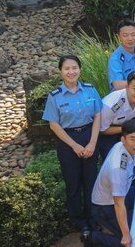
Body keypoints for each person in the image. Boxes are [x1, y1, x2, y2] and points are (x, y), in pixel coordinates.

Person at [44, 55, 103, 233]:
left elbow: (98, 115)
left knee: (91, 180)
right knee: (73, 182)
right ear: (61, 71)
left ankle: (93, 216)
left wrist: (92, 143)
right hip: (67, 141)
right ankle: (78, 219)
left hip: (89, 135)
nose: (71, 72)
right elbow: (53, 124)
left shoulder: (90, 90)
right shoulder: (55, 96)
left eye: (74, 67)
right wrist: (74, 146)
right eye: (67, 68)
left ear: (80, 69)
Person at [82, 118, 135, 247]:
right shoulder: (118, 169)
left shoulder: (124, 147)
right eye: (132, 139)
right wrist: (126, 235)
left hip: (123, 192)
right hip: (106, 206)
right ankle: (93, 238)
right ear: (123, 139)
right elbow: (118, 204)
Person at [98, 70, 135, 161]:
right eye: (134, 88)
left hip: (129, 130)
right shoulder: (110, 105)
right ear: (127, 87)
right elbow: (102, 130)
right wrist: (130, 127)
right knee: (114, 162)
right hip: (109, 134)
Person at [108, 19, 135, 90]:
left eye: (133, 34)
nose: (130, 38)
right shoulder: (115, 58)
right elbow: (118, 84)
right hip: (123, 97)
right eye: (125, 35)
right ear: (119, 37)